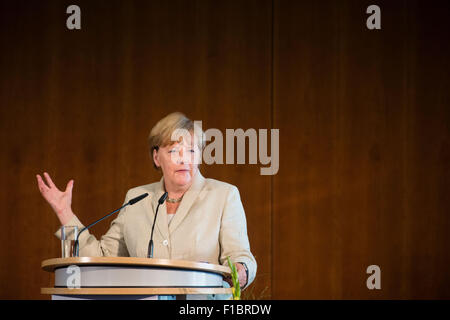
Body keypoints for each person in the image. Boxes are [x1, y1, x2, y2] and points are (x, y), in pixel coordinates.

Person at [36, 112, 256, 291]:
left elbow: (240, 258)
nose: (183, 158)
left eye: (191, 150)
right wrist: (65, 212)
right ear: (156, 157)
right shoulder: (136, 199)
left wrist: (239, 270)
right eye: (173, 151)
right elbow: (102, 258)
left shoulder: (223, 195)